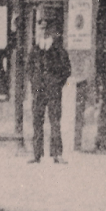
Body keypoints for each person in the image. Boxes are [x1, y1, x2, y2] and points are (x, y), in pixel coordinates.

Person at [28, 25, 73, 164]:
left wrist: (57, 82)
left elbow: (67, 70)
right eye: (41, 28)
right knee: (37, 121)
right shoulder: (35, 49)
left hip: (53, 90)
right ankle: (37, 154)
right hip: (38, 90)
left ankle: (57, 154)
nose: (44, 31)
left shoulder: (59, 50)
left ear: (52, 32)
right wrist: (35, 82)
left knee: (55, 121)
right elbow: (28, 68)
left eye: (47, 29)